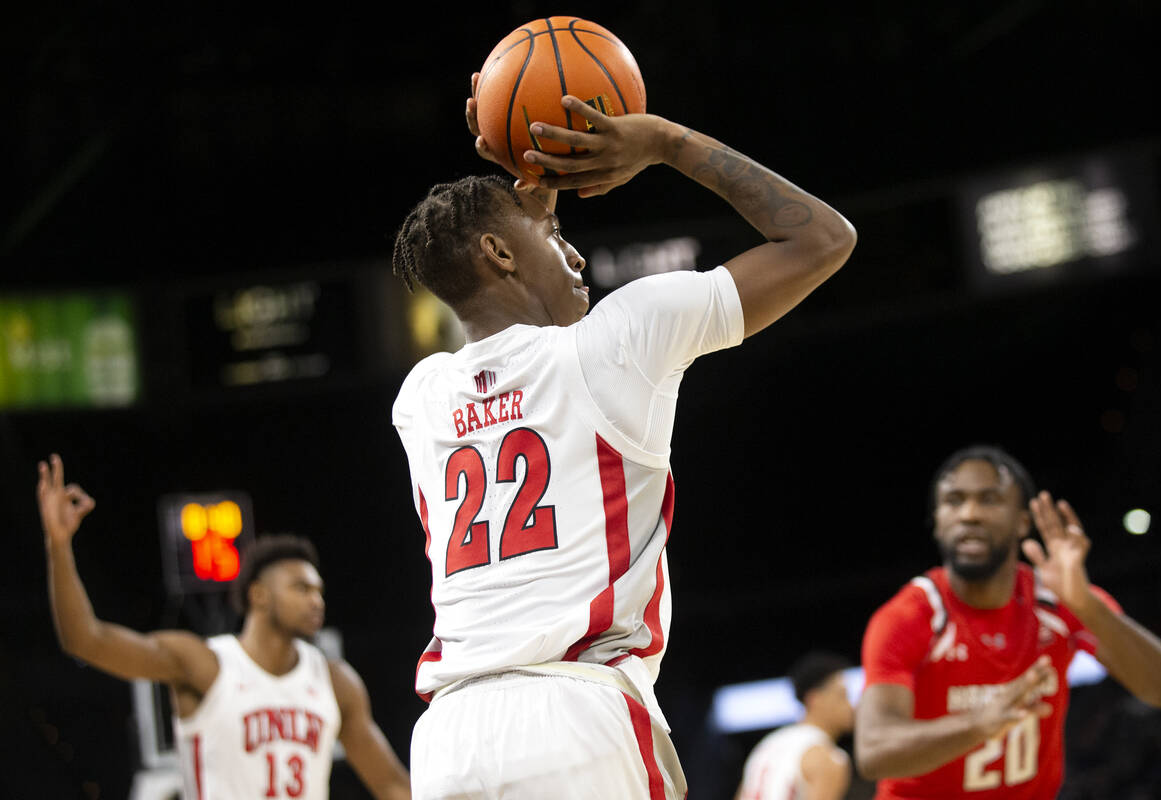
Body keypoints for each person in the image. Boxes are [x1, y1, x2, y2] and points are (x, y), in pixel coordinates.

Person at [389, 73, 857, 800]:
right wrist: (664, 141)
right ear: (501, 254)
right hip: (576, 712)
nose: (576, 255)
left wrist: (530, 188)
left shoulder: (420, 400)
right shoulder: (616, 342)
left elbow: (501, 295)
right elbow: (823, 238)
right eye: (554, 236)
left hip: (450, 741)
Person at [37, 454, 412, 800]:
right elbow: (85, 639)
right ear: (260, 595)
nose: (316, 600)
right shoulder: (204, 665)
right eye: (301, 588)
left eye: (319, 590)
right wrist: (58, 544)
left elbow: (393, 785)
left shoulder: (336, 682)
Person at [854, 444, 1161, 799]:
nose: (969, 514)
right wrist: (979, 723)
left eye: (990, 500)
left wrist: (1087, 605)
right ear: (937, 520)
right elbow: (874, 753)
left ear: (1023, 521)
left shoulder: (1060, 600)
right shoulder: (910, 616)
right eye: (954, 500)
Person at [735, 651, 856, 800]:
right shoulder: (828, 757)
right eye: (842, 696)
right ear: (815, 699)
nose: (851, 706)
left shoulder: (766, 746)